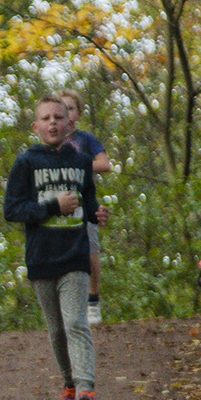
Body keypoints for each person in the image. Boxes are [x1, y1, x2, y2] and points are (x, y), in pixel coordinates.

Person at [4, 96, 102, 400]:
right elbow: (12, 210)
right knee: (58, 330)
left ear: (69, 124)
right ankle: (70, 386)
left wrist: (96, 213)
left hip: (74, 255)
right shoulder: (26, 163)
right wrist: (50, 207)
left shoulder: (82, 161)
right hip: (41, 258)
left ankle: (87, 392)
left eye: (58, 117)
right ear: (36, 126)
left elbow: (88, 204)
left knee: (76, 322)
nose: (52, 123)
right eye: (45, 118)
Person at [54, 91, 112, 325]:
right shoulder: (50, 141)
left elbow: (105, 164)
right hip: (56, 202)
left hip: (84, 201)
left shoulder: (85, 139)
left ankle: (93, 300)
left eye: (70, 108)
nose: (65, 114)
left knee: (90, 250)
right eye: (61, 109)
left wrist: (78, 164)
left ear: (77, 113)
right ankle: (64, 304)